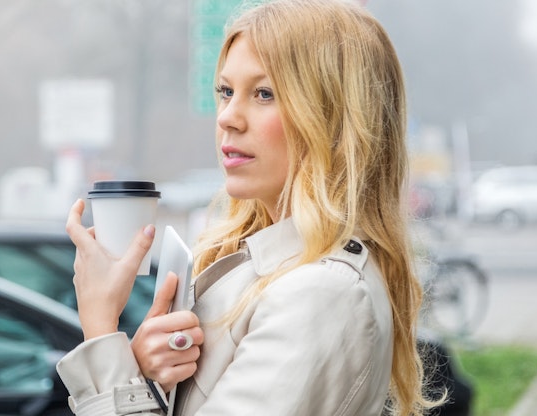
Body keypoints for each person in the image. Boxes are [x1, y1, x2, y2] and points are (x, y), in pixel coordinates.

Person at [58, 0, 440, 414]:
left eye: (264, 93)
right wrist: (150, 377)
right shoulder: (271, 266)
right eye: (226, 91)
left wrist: (99, 327)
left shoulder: (319, 294)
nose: (228, 118)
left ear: (335, 117)